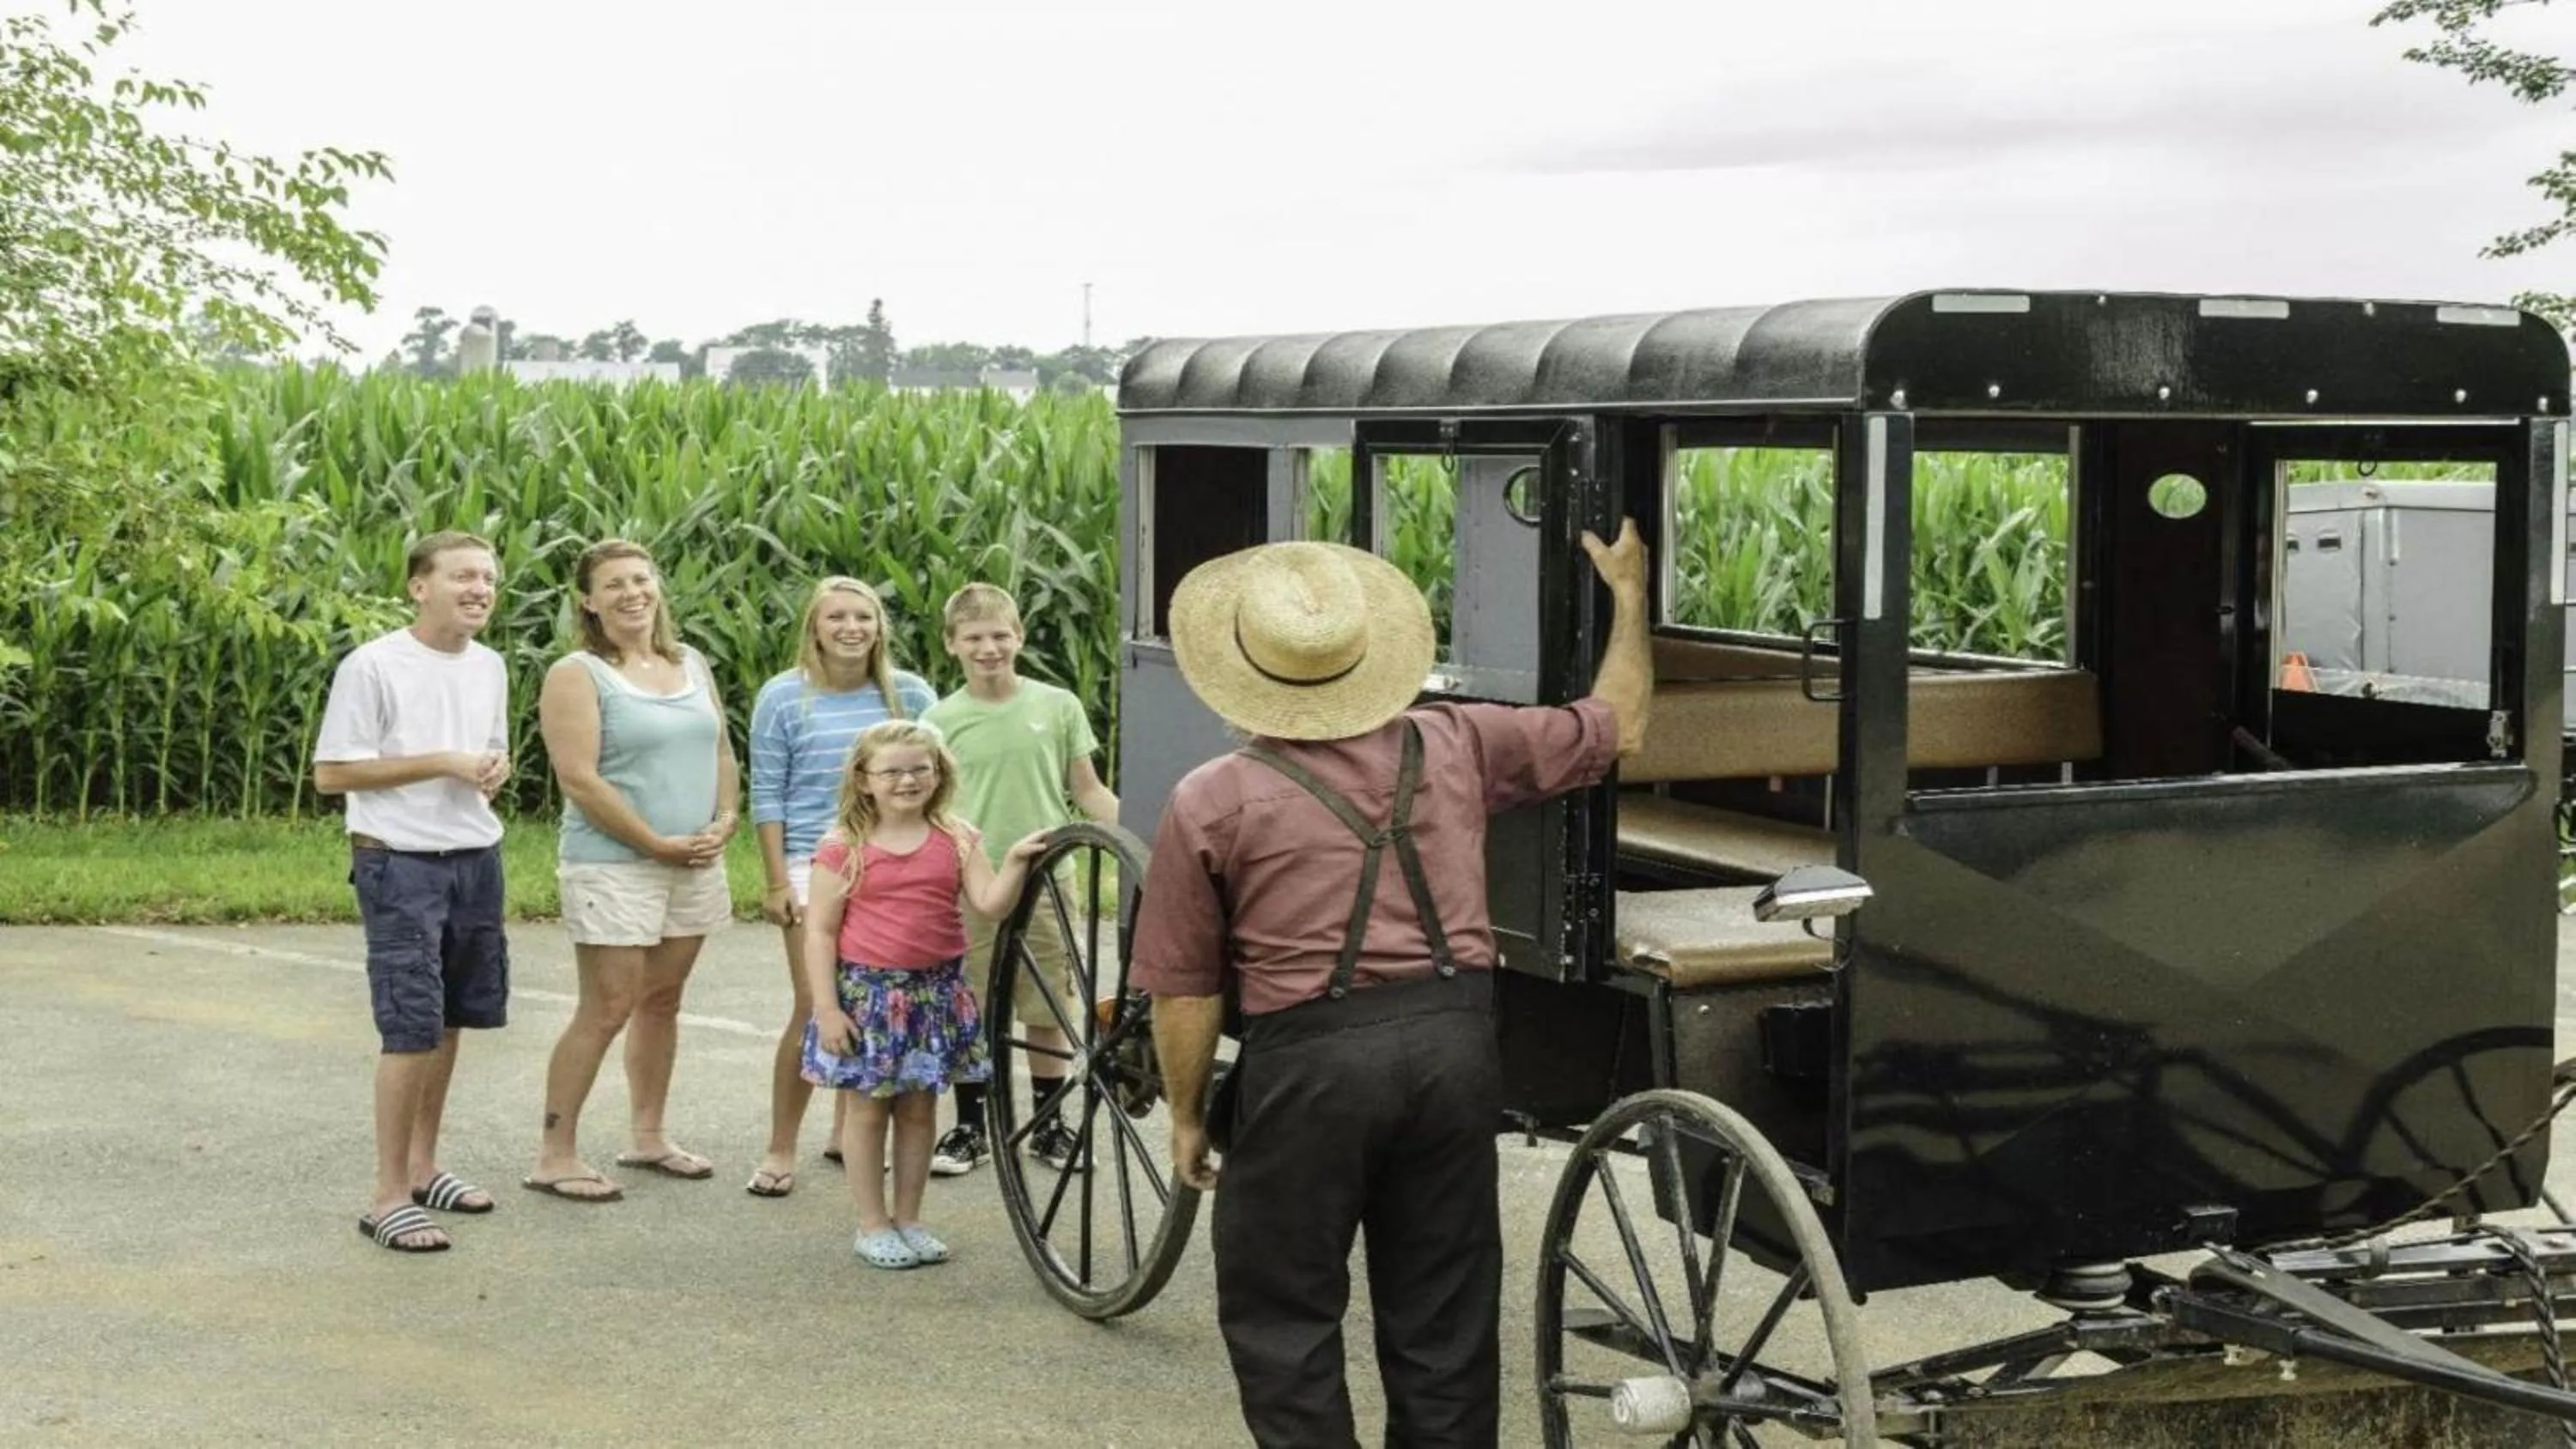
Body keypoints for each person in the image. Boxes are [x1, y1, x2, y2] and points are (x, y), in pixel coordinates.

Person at [1133, 522, 1654, 1446]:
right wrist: (1629, 595)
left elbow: (1181, 989)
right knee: (1446, 1317)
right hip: (1455, 1052)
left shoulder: (1211, 798)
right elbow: (1618, 726)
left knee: (1284, 1312)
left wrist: (1185, 1110)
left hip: (1308, 1067)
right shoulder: (1455, 741)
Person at [313, 530, 515, 1254]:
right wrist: (443, 763)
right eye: (463, 576)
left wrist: (490, 770)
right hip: (399, 862)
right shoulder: (373, 666)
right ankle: (387, 1195)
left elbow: (486, 752)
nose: (480, 590)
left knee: (454, 1016)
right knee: (411, 1025)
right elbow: (332, 774)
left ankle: (425, 1168)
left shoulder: (490, 665)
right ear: (418, 586)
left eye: (488, 578)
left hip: (475, 856)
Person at [524, 539, 740, 1203]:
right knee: (608, 1004)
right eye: (613, 584)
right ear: (588, 600)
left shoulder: (690, 663)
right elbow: (579, 780)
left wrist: (725, 818)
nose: (631, 594)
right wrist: (654, 843)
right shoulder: (578, 672)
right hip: (615, 865)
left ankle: (649, 1136)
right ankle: (555, 1155)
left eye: (641, 580)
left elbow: (722, 750)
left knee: (662, 1000)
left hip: (693, 861)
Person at [801, 719, 1047, 1269]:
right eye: (892, 771)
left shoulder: (958, 838)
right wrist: (827, 1008)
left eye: (920, 769)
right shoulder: (844, 846)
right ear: (864, 779)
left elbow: (989, 904)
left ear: (939, 773)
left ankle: (909, 1218)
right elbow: (819, 930)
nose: (907, 780)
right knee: (867, 1112)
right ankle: (872, 1223)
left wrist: (1014, 863)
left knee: (918, 1110)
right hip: (869, 998)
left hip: (936, 995)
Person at [744, 577, 937, 1199]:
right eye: (837, 618)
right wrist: (777, 881)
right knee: (814, 1002)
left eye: (864, 617)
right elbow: (767, 792)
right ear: (815, 628)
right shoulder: (783, 698)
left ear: (879, 628)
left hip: (893, 855)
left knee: (880, 999)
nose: (851, 628)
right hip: (812, 856)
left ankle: (845, 1129)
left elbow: (935, 780)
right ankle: (780, 1147)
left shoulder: (907, 694)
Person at [920, 583, 1118, 1178]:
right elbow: (928, 805)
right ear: (952, 644)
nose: (989, 648)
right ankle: (970, 1127)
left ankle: (1049, 1125)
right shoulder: (939, 720)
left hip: (1046, 875)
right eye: (975, 638)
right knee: (974, 1004)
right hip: (971, 879)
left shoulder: (1057, 706)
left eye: (1001, 635)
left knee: (1049, 1002)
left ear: (1020, 638)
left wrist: (1146, 831)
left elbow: (1086, 790)